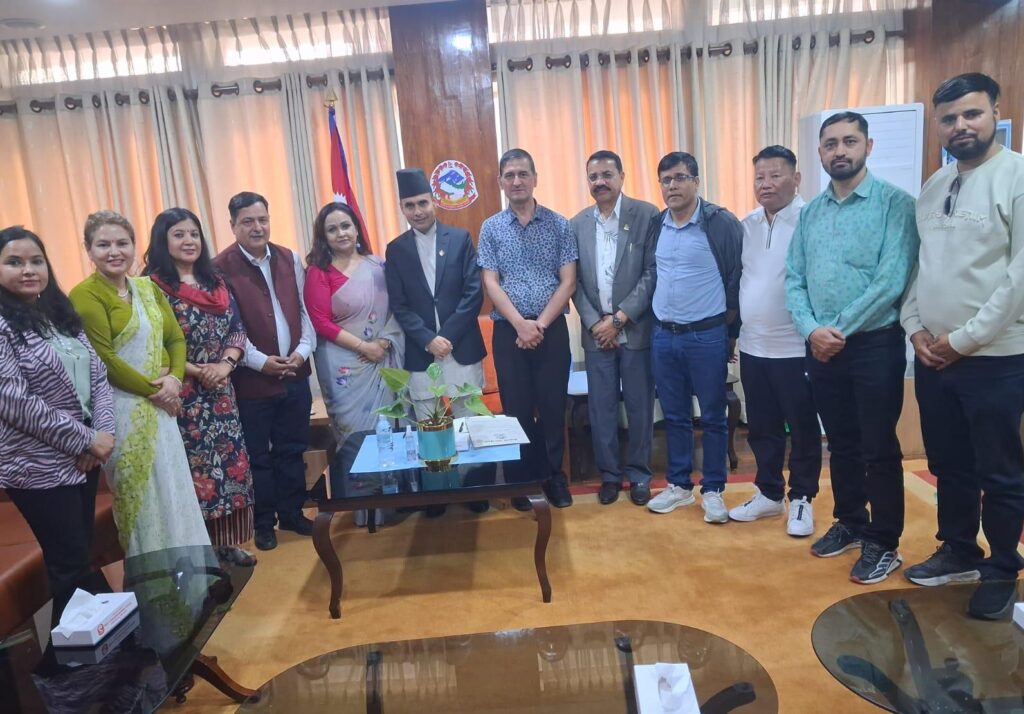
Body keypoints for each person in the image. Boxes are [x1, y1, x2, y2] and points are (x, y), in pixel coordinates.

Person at [901, 73, 1024, 619]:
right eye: (949, 118)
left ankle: (1001, 567)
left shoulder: (1016, 176)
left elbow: (1019, 278)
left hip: (995, 358)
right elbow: (920, 269)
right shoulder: (935, 184)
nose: (960, 126)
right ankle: (958, 550)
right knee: (948, 463)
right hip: (934, 357)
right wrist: (915, 328)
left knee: (998, 469)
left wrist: (964, 340)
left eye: (971, 114)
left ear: (995, 111)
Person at [785, 112, 919, 584]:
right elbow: (794, 279)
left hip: (874, 345)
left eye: (849, 141)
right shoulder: (811, 213)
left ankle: (884, 541)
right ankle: (850, 521)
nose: (839, 151)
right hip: (821, 347)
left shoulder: (895, 204)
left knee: (877, 445)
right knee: (839, 442)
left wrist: (834, 331)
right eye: (830, 144)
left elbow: (891, 281)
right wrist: (811, 331)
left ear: (868, 146)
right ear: (820, 152)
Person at [70, 210, 211, 558]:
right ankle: (152, 578)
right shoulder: (85, 295)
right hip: (121, 410)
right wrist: (158, 392)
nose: (114, 251)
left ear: (134, 246)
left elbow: (175, 339)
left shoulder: (147, 289)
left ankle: (188, 574)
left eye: (122, 243)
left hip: (162, 408)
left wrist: (174, 379)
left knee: (174, 488)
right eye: (103, 244)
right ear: (88, 250)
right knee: (142, 497)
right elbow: (105, 360)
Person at [0, 226, 116, 622]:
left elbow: (98, 376)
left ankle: (104, 643)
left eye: (36, 261)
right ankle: (77, 657)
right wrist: (84, 439)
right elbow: (13, 401)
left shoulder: (57, 315)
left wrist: (102, 436)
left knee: (81, 558)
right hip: (37, 468)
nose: (28, 270)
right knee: (70, 565)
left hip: (83, 459)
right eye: (14, 262)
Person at [144, 207, 256, 566]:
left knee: (230, 468)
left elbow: (237, 329)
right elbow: (153, 345)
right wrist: (196, 369)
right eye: (178, 234)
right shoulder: (150, 287)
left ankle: (228, 544)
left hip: (221, 392)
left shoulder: (215, 282)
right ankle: (201, 553)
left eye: (193, 233)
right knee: (195, 474)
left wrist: (224, 365)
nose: (188, 241)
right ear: (162, 241)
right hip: (181, 394)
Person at [214, 192, 316, 552]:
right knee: (257, 455)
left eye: (262, 220)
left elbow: (305, 311)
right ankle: (264, 522)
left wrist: (301, 353)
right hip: (252, 380)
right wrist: (260, 361)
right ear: (233, 226)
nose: (257, 228)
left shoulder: (289, 258)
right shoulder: (219, 268)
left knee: (292, 448)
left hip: (295, 372)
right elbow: (228, 326)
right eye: (248, 222)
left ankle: (292, 513)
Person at [728, 146, 822, 536]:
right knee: (762, 426)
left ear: (796, 178)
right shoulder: (747, 224)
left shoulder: (812, 220)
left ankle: (802, 497)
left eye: (775, 175)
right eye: (759, 177)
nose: (765, 184)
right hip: (753, 346)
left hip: (795, 347)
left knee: (801, 426)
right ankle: (769, 493)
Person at [644, 151, 742, 525]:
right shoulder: (657, 225)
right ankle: (680, 485)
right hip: (664, 336)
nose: (673, 186)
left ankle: (713, 489)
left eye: (680, 178)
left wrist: (730, 333)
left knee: (713, 416)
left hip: (706, 336)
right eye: (666, 180)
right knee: (674, 415)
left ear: (696, 181)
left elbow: (736, 278)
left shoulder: (720, 223)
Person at [384, 169, 490, 514]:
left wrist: (447, 336)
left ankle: (474, 490)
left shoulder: (459, 239)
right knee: (427, 422)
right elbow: (399, 305)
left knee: (468, 419)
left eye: (422, 203)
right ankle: (436, 493)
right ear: (402, 208)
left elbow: (473, 294)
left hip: (461, 346)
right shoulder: (396, 249)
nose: (417, 211)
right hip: (421, 350)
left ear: (434, 202)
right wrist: (429, 339)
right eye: (410, 205)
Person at [478, 148, 577, 510]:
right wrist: (520, 324)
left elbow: (568, 281)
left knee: (552, 408)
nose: (516, 181)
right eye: (510, 175)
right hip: (509, 332)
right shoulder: (491, 228)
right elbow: (490, 282)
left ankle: (553, 477)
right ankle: (521, 480)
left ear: (535, 178)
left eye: (523, 174)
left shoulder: (559, 224)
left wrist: (539, 325)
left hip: (551, 330)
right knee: (516, 410)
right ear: (501, 182)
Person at [570, 150, 660, 506]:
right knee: (601, 408)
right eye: (593, 177)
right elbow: (572, 281)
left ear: (622, 176)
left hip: (634, 328)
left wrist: (619, 319)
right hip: (596, 333)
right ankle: (609, 475)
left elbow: (652, 272)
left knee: (639, 406)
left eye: (607, 174)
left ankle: (639, 475)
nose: (600, 182)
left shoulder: (646, 215)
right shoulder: (577, 223)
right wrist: (596, 323)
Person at [304, 201, 405, 444]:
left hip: (382, 356)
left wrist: (382, 342)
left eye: (345, 226)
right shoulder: (319, 272)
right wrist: (364, 347)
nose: (341, 233)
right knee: (354, 437)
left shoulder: (378, 266)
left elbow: (398, 308)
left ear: (356, 229)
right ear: (323, 237)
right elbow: (320, 322)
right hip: (343, 365)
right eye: (332, 229)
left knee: (391, 431)